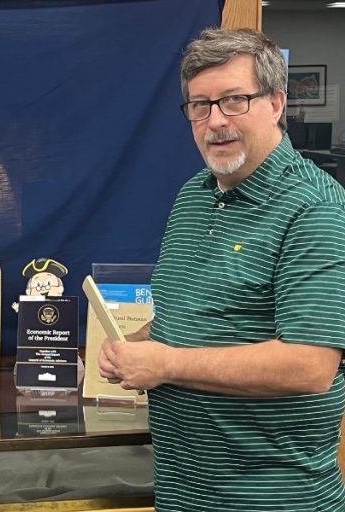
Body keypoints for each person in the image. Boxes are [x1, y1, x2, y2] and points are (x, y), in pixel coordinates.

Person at [99, 28, 345, 511]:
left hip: (271, 497)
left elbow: (310, 365)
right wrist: (139, 345)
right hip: (183, 489)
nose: (215, 121)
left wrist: (164, 364)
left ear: (276, 103)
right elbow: (193, 311)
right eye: (200, 105)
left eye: (234, 100)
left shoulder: (315, 209)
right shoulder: (194, 195)